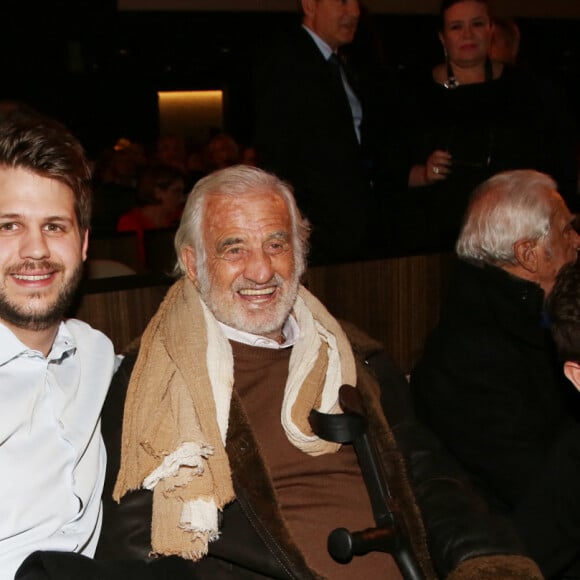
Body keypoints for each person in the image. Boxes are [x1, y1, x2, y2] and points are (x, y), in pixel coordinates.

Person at [95, 165, 543, 580]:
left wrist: (483, 560)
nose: (261, 270)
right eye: (235, 248)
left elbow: (431, 477)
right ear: (194, 265)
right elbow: (135, 549)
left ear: (300, 251)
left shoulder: (356, 356)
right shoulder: (152, 381)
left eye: (276, 244)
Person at [411, 170, 580, 522]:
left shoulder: (528, 321)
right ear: (529, 254)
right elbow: (542, 495)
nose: (577, 241)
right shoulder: (472, 360)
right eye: (567, 230)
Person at [0, 113, 117, 580]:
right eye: (9, 226)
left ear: (84, 243)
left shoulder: (96, 353)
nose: (35, 250)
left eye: (54, 227)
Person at [398, 0, 578, 252]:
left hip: (517, 239)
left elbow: (558, 165)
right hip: (436, 241)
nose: (468, 35)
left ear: (491, 30)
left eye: (477, 24)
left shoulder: (531, 92)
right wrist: (425, 173)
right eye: (456, 27)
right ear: (442, 37)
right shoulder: (411, 96)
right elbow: (390, 173)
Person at [253, 0, 390, 265]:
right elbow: (277, 156)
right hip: (319, 238)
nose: (354, 12)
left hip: (353, 231)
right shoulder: (287, 62)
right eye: (342, 2)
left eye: (356, 3)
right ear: (310, 5)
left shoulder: (342, 65)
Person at [117, 163, 186, 267]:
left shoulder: (179, 217)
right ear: (157, 192)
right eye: (176, 192)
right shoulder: (130, 222)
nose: (181, 198)